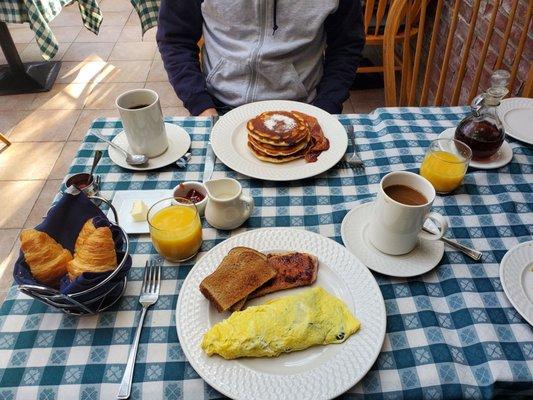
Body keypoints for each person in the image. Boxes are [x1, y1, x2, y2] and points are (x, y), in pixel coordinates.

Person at [157, 0, 365, 116]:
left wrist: (327, 106)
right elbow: (175, 38)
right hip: (217, 107)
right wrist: (200, 104)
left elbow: (346, 44)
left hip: (304, 108)